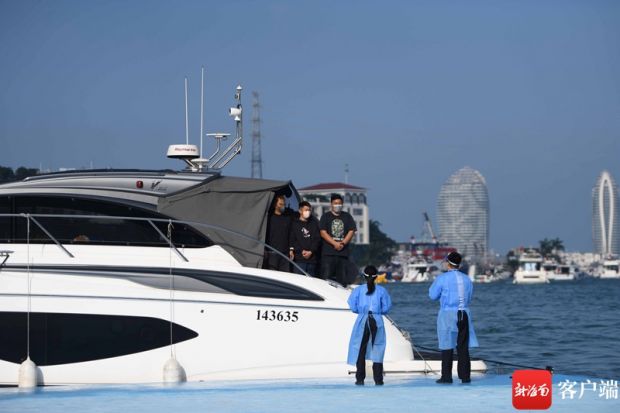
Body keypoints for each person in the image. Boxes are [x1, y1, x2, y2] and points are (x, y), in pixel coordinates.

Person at [428, 251, 479, 384]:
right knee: (463, 346)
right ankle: (465, 376)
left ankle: (446, 377)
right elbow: (470, 297)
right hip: (464, 313)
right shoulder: (467, 278)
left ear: (448, 263)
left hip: (447, 314)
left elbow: (432, 296)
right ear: (459, 264)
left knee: (447, 345)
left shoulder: (442, 278)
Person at [347, 265, 392, 386]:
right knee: (378, 347)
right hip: (376, 319)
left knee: (360, 349)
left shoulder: (358, 290)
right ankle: (378, 379)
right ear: (376, 277)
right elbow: (387, 308)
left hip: (362, 319)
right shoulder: (382, 290)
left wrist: (361, 312)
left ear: (364, 277)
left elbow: (352, 306)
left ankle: (360, 378)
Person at [319, 194, 356, 286]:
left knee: (342, 280)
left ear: (342, 204)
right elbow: (323, 232)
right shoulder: (325, 216)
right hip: (328, 254)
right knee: (326, 279)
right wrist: (334, 243)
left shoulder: (347, 216)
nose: (337, 205)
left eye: (339, 203)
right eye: (335, 203)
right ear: (331, 204)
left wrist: (343, 243)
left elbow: (351, 231)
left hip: (343, 254)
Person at [288, 201, 321, 276]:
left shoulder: (314, 224)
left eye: (309, 210)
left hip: (312, 260)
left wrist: (311, 251)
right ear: (300, 211)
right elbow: (292, 240)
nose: (308, 212)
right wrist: (301, 250)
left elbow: (317, 239)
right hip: (299, 260)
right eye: (306, 210)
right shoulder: (294, 224)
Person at [264, 194, 292, 272]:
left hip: (285, 254)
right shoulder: (269, 218)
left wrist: (291, 249)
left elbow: (290, 234)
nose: (282, 206)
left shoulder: (287, 218)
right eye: (280, 204)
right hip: (272, 252)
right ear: (275, 205)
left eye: (284, 204)